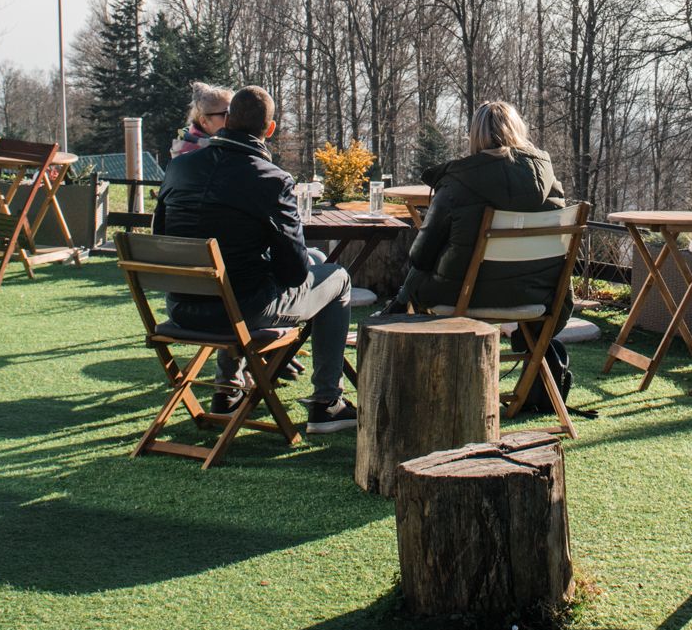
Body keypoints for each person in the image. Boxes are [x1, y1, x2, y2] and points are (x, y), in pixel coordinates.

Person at [154, 86, 357, 434]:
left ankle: (228, 389)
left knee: (300, 261)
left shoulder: (179, 167)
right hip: (240, 311)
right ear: (270, 129)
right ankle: (327, 402)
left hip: (181, 306)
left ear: (226, 121)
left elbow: (161, 234)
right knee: (337, 277)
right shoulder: (270, 180)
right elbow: (293, 273)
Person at [397, 101, 574, 414]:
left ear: (474, 136)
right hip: (534, 296)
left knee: (414, 278)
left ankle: (423, 387)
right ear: (518, 131)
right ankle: (524, 349)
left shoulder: (457, 183)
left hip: (463, 296)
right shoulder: (551, 183)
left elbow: (421, 255)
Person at [170, 82, 231, 161]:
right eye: (226, 114)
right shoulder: (192, 157)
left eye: (235, 112)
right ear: (204, 122)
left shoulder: (223, 146)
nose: (234, 118)